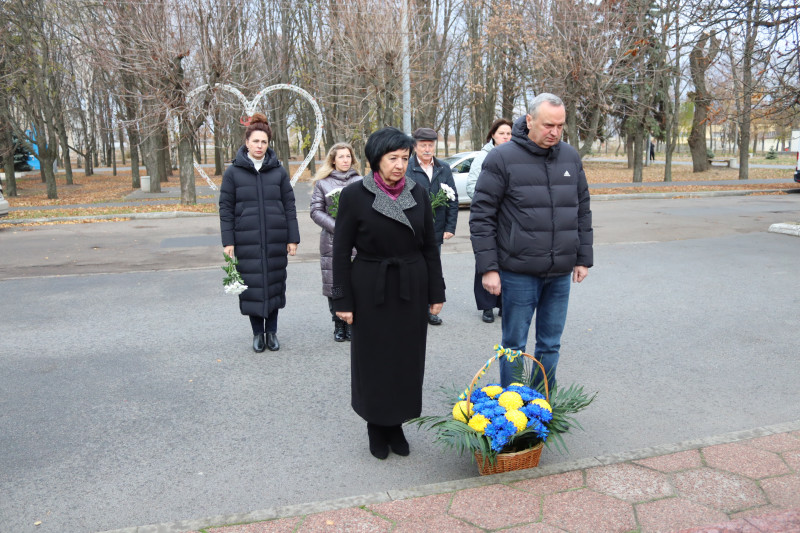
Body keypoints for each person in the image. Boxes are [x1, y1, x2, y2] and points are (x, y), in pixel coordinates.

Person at [332, 127, 445, 460]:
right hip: (371, 286)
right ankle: (375, 425)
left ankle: (396, 424)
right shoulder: (354, 195)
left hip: (411, 284)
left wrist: (436, 291)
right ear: (375, 160)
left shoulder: (418, 192)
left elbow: (429, 246)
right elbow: (340, 252)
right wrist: (342, 300)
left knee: (406, 359)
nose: (399, 165)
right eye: (392, 158)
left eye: (404, 158)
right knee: (374, 359)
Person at [469, 93, 593, 392]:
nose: (555, 132)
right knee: (514, 344)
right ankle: (513, 411)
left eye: (560, 126)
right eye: (548, 124)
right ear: (529, 121)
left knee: (550, 344)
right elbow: (482, 216)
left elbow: (582, 208)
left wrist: (582, 257)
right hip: (518, 271)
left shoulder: (570, 157)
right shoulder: (502, 158)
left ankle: (541, 406)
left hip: (559, 271)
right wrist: (489, 268)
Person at [219, 113, 300, 353]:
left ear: (268, 144)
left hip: (275, 239)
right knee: (252, 287)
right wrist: (228, 241)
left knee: (274, 285)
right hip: (247, 240)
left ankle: (272, 332)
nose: (259, 146)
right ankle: (257, 333)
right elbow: (225, 209)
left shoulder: (279, 172)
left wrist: (292, 238)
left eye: (264, 142)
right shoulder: (233, 173)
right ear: (247, 142)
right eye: (255, 141)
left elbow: (289, 205)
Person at [309, 143, 362, 342]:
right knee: (335, 285)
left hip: (358, 242)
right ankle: (338, 324)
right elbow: (316, 211)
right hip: (333, 242)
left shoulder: (361, 181)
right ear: (333, 160)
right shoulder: (323, 183)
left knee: (356, 283)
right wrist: (339, 227)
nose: (345, 160)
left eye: (348, 156)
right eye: (341, 157)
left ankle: (352, 324)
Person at [405, 127, 458, 326]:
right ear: (415, 146)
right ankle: (412, 309)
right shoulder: (407, 167)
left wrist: (450, 226)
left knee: (431, 269)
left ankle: (429, 309)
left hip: (435, 231)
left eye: (430, 145)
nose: (427, 149)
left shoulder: (443, 168)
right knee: (411, 269)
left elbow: (453, 198)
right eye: (423, 145)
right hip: (411, 230)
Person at [466, 118, 513, 324]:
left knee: (508, 261)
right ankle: (487, 306)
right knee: (485, 261)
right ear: (493, 135)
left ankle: (504, 303)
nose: (506, 137)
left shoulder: (515, 156)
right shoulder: (483, 157)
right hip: (488, 217)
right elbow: (472, 187)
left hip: (509, 220)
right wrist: (491, 202)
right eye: (502, 133)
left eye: (509, 133)